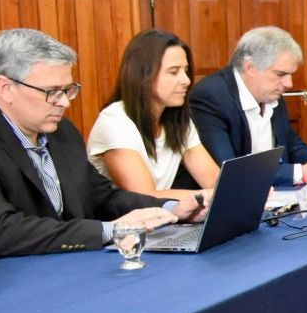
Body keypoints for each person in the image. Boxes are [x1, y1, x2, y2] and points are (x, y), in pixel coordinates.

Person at [0, 28, 194, 258]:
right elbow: (0, 231)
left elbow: (103, 197)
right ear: (6, 88)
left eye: (68, 90)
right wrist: (111, 230)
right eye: (52, 92)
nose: (65, 103)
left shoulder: (62, 131)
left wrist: (170, 208)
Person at [191, 26, 307, 187]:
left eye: (290, 75)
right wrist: (299, 172)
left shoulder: (269, 91)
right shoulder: (210, 97)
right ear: (250, 67)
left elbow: (292, 145)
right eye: (281, 74)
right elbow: (228, 169)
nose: (289, 83)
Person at [87, 29, 220, 200]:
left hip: (164, 213)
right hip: (124, 215)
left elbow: (213, 181)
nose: (186, 80)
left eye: (185, 70)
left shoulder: (178, 119)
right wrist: (208, 196)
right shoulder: (114, 121)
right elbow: (144, 196)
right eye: (174, 72)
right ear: (143, 75)